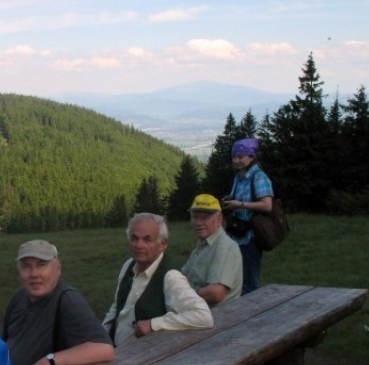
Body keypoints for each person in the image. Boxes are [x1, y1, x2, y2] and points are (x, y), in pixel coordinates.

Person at [3, 239, 115, 365]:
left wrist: (49, 362)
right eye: (26, 267)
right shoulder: (19, 298)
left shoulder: (68, 301)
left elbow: (104, 349)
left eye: (41, 265)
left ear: (57, 268)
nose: (34, 274)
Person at [103, 213, 212, 347]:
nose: (139, 245)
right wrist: (101, 333)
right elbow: (118, 305)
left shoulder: (171, 276)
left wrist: (154, 324)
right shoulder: (129, 265)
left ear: (163, 244)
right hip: (115, 349)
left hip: (145, 359)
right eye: (134, 238)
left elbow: (203, 316)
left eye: (147, 239)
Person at [222, 138, 274, 295]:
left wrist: (240, 205)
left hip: (251, 235)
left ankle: (252, 312)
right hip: (237, 233)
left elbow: (267, 205)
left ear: (251, 157)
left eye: (240, 157)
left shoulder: (258, 176)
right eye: (234, 157)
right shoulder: (239, 177)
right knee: (236, 277)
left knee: (250, 280)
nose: (236, 160)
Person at [181, 194, 243, 307]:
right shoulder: (203, 245)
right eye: (195, 217)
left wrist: (182, 299)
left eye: (204, 218)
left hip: (218, 317)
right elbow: (182, 277)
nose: (199, 223)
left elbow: (215, 293)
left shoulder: (225, 247)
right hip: (199, 312)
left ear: (219, 219)